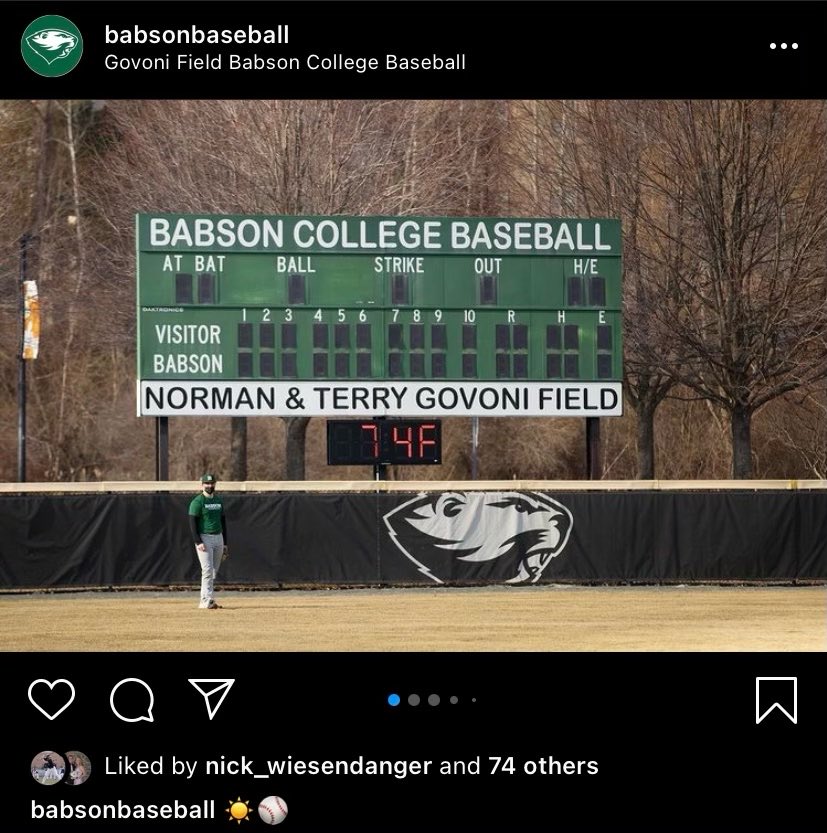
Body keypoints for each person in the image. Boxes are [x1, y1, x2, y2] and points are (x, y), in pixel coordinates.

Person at [188, 473, 228, 609]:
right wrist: (198, 541)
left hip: (219, 537)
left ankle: (210, 599)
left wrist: (226, 543)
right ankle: (204, 600)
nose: (209, 486)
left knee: (214, 571)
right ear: (202, 485)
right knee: (207, 570)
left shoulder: (218, 500)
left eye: (211, 483)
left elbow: (223, 521)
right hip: (205, 537)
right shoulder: (197, 502)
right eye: (207, 483)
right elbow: (192, 522)